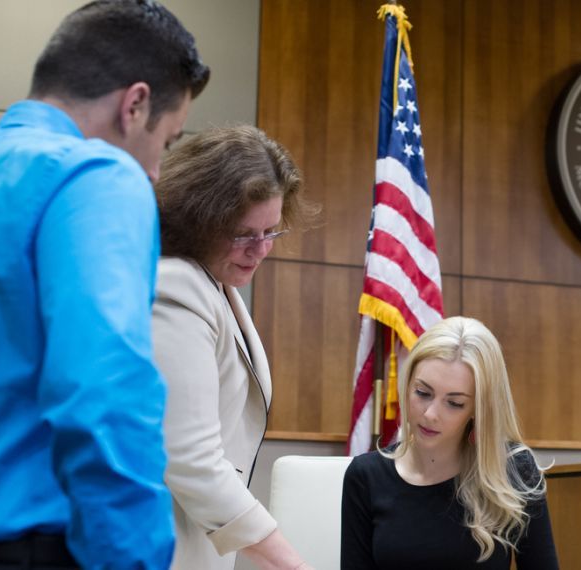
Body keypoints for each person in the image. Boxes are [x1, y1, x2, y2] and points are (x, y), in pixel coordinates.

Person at [0, 1, 209, 568]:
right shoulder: (96, 175)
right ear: (135, 104)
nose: (154, 172)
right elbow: (104, 390)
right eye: (167, 143)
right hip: (28, 550)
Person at [151, 125, 319, 570]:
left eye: (271, 232)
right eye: (244, 234)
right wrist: (288, 560)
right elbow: (191, 459)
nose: (260, 250)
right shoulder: (175, 285)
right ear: (198, 219)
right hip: (160, 543)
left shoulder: (215, 282)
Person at [341, 316, 560, 569]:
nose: (430, 414)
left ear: (478, 408)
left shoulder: (514, 469)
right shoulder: (365, 477)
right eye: (423, 392)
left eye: (454, 403)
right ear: (407, 383)